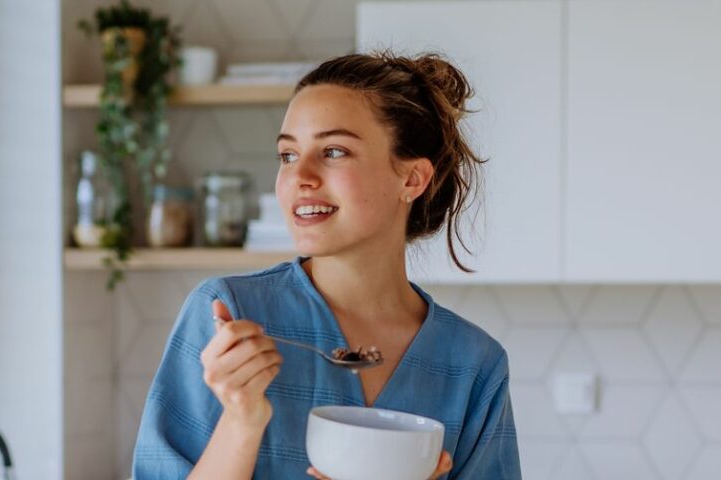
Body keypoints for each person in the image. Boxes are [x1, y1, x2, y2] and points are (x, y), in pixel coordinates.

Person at [132, 51, 521, 479]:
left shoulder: (472, 363)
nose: (301, 176)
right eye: (287, 155)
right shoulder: (228, 315)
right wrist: (242, 421)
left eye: (334, 151)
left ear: (411, 179)